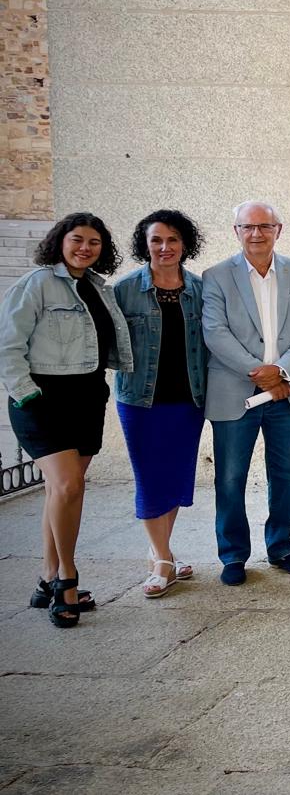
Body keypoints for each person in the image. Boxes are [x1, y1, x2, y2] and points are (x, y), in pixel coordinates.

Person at [1, 213, 131, 625]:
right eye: (77, 239)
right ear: (60, 241)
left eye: (94, 242)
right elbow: (7, 344)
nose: (84, 248)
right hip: (42, 399)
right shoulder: (36, 284)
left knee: (63, 491)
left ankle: (46, 577)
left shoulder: (98, 287)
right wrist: (25, 393)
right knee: (69, 484)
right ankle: (66, 580)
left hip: (87, 398)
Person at [202, 201, 290, 585]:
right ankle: (233, 555)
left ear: (278, 230)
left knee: (286, 475)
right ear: (236, 231)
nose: (256, 233)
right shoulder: (216, 276)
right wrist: (258, 372)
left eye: (264, 226)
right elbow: (215, 332)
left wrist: (281, 371)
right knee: (230, 478)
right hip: (235, 392)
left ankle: (281, 547)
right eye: (248, 227)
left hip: (286, 393)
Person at [112, 210, 209, 598]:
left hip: (189, 398)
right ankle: (163, 561)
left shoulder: (199, 289)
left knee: (176, 477)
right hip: (141, 400)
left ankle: (161, 552)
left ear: (185, 244)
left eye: (172, 239)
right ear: (145, 244)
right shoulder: (125, 289)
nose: (164, 247)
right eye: (156, 240)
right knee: (151, 477)